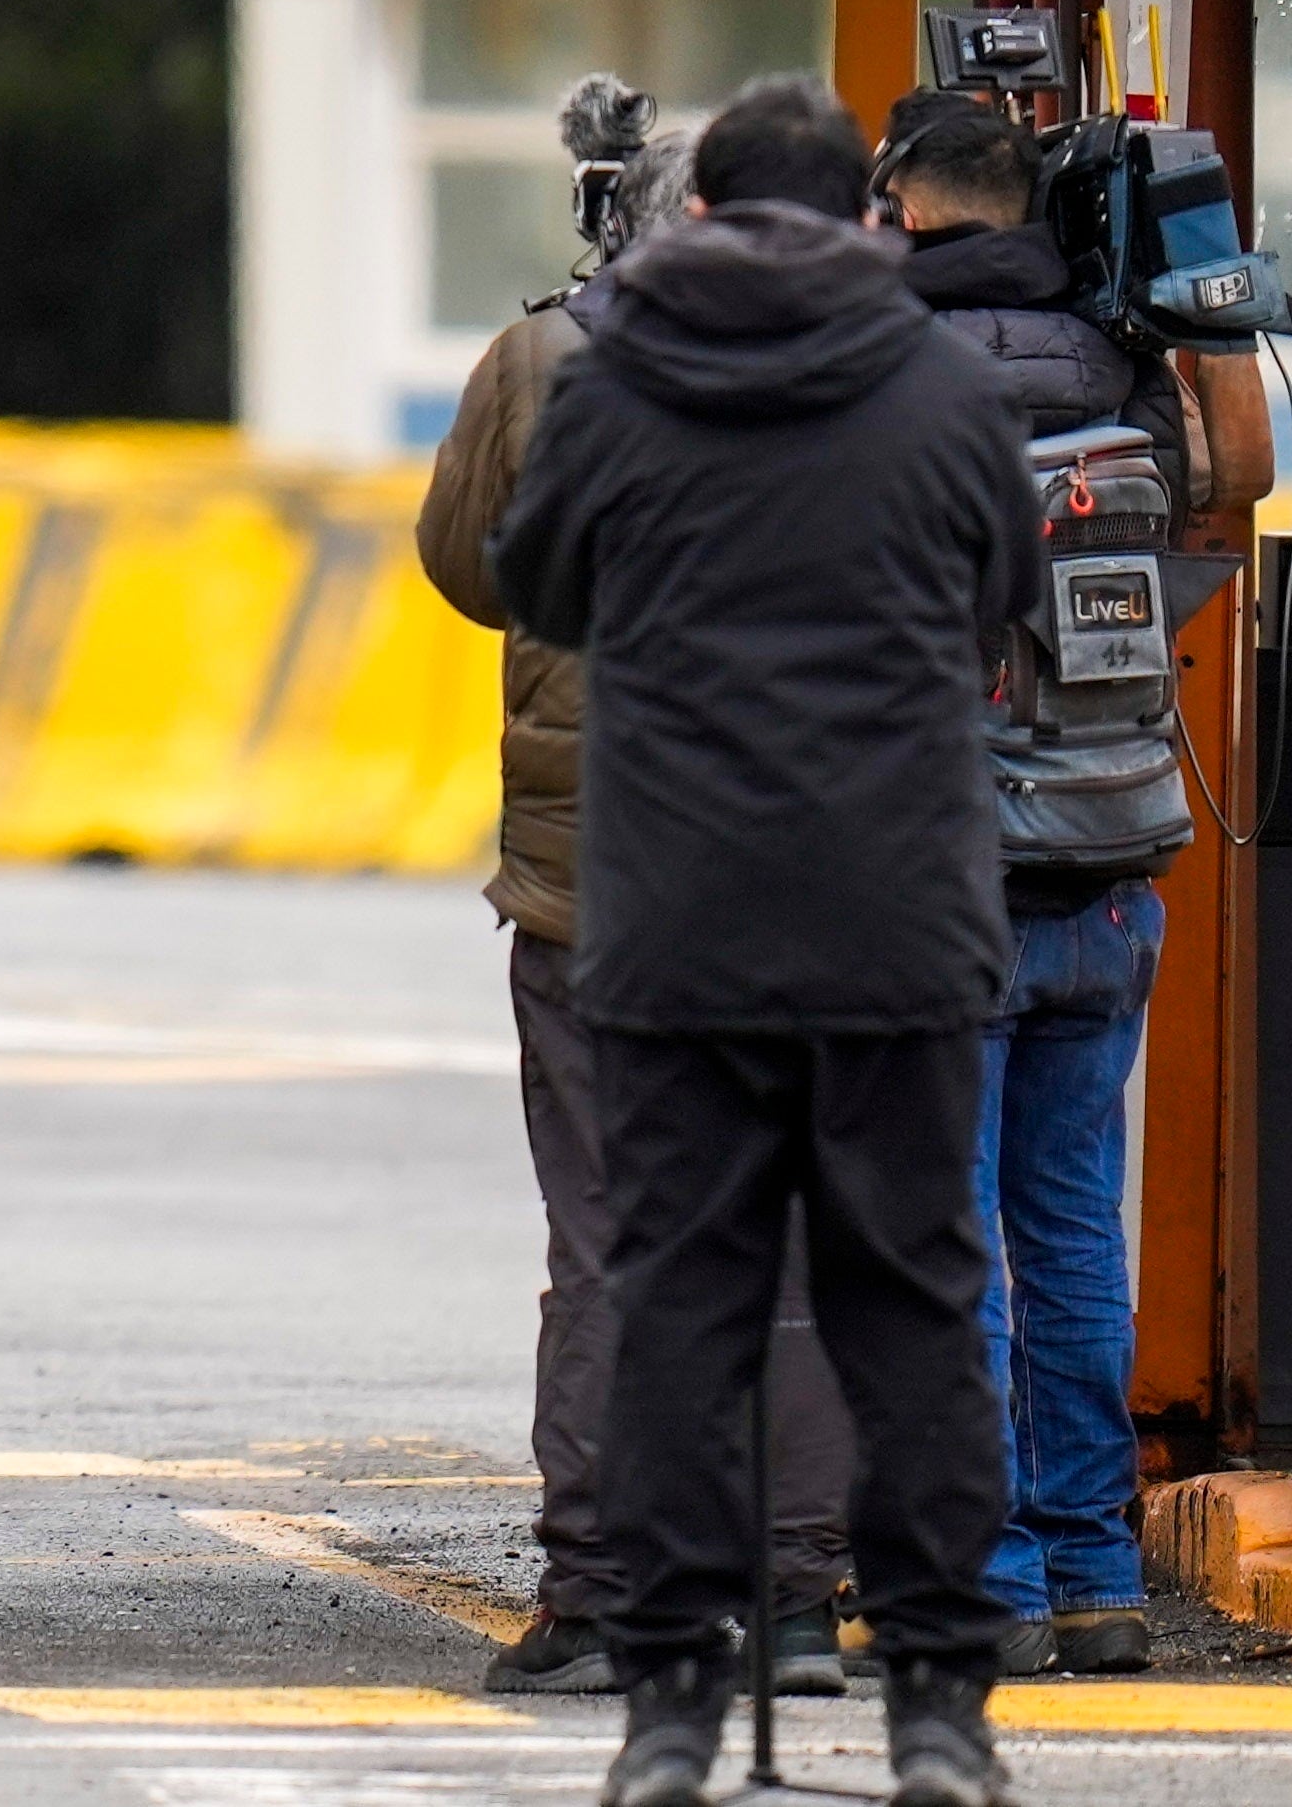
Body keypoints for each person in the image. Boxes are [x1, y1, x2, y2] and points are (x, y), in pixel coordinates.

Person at [490, 81, 1041, 1807]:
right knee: (911, 1304)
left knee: (679, 1300)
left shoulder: (614, 381)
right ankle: (939, 1707)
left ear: (702, 213)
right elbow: (1000, 611)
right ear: (872, 212)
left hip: (676, 926)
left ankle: (668, 1704)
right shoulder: (944, 389)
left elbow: (546, 589)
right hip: (895, 921)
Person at [421, 181, 856, 1698]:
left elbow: (466, 566)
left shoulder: (538, 361)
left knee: (607, 1236)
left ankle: (601, 1598)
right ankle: (795, 1606)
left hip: (591, 882)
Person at [875, 96, 1232, 1679]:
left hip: (945, 867)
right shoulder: (1122, 365)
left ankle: (988, 1579)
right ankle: (1096, 1574)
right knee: (1072, 1227)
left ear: (901, 203)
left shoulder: (883, 372)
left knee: (944, 1234)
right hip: (1108, 853)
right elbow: (1222, 495)